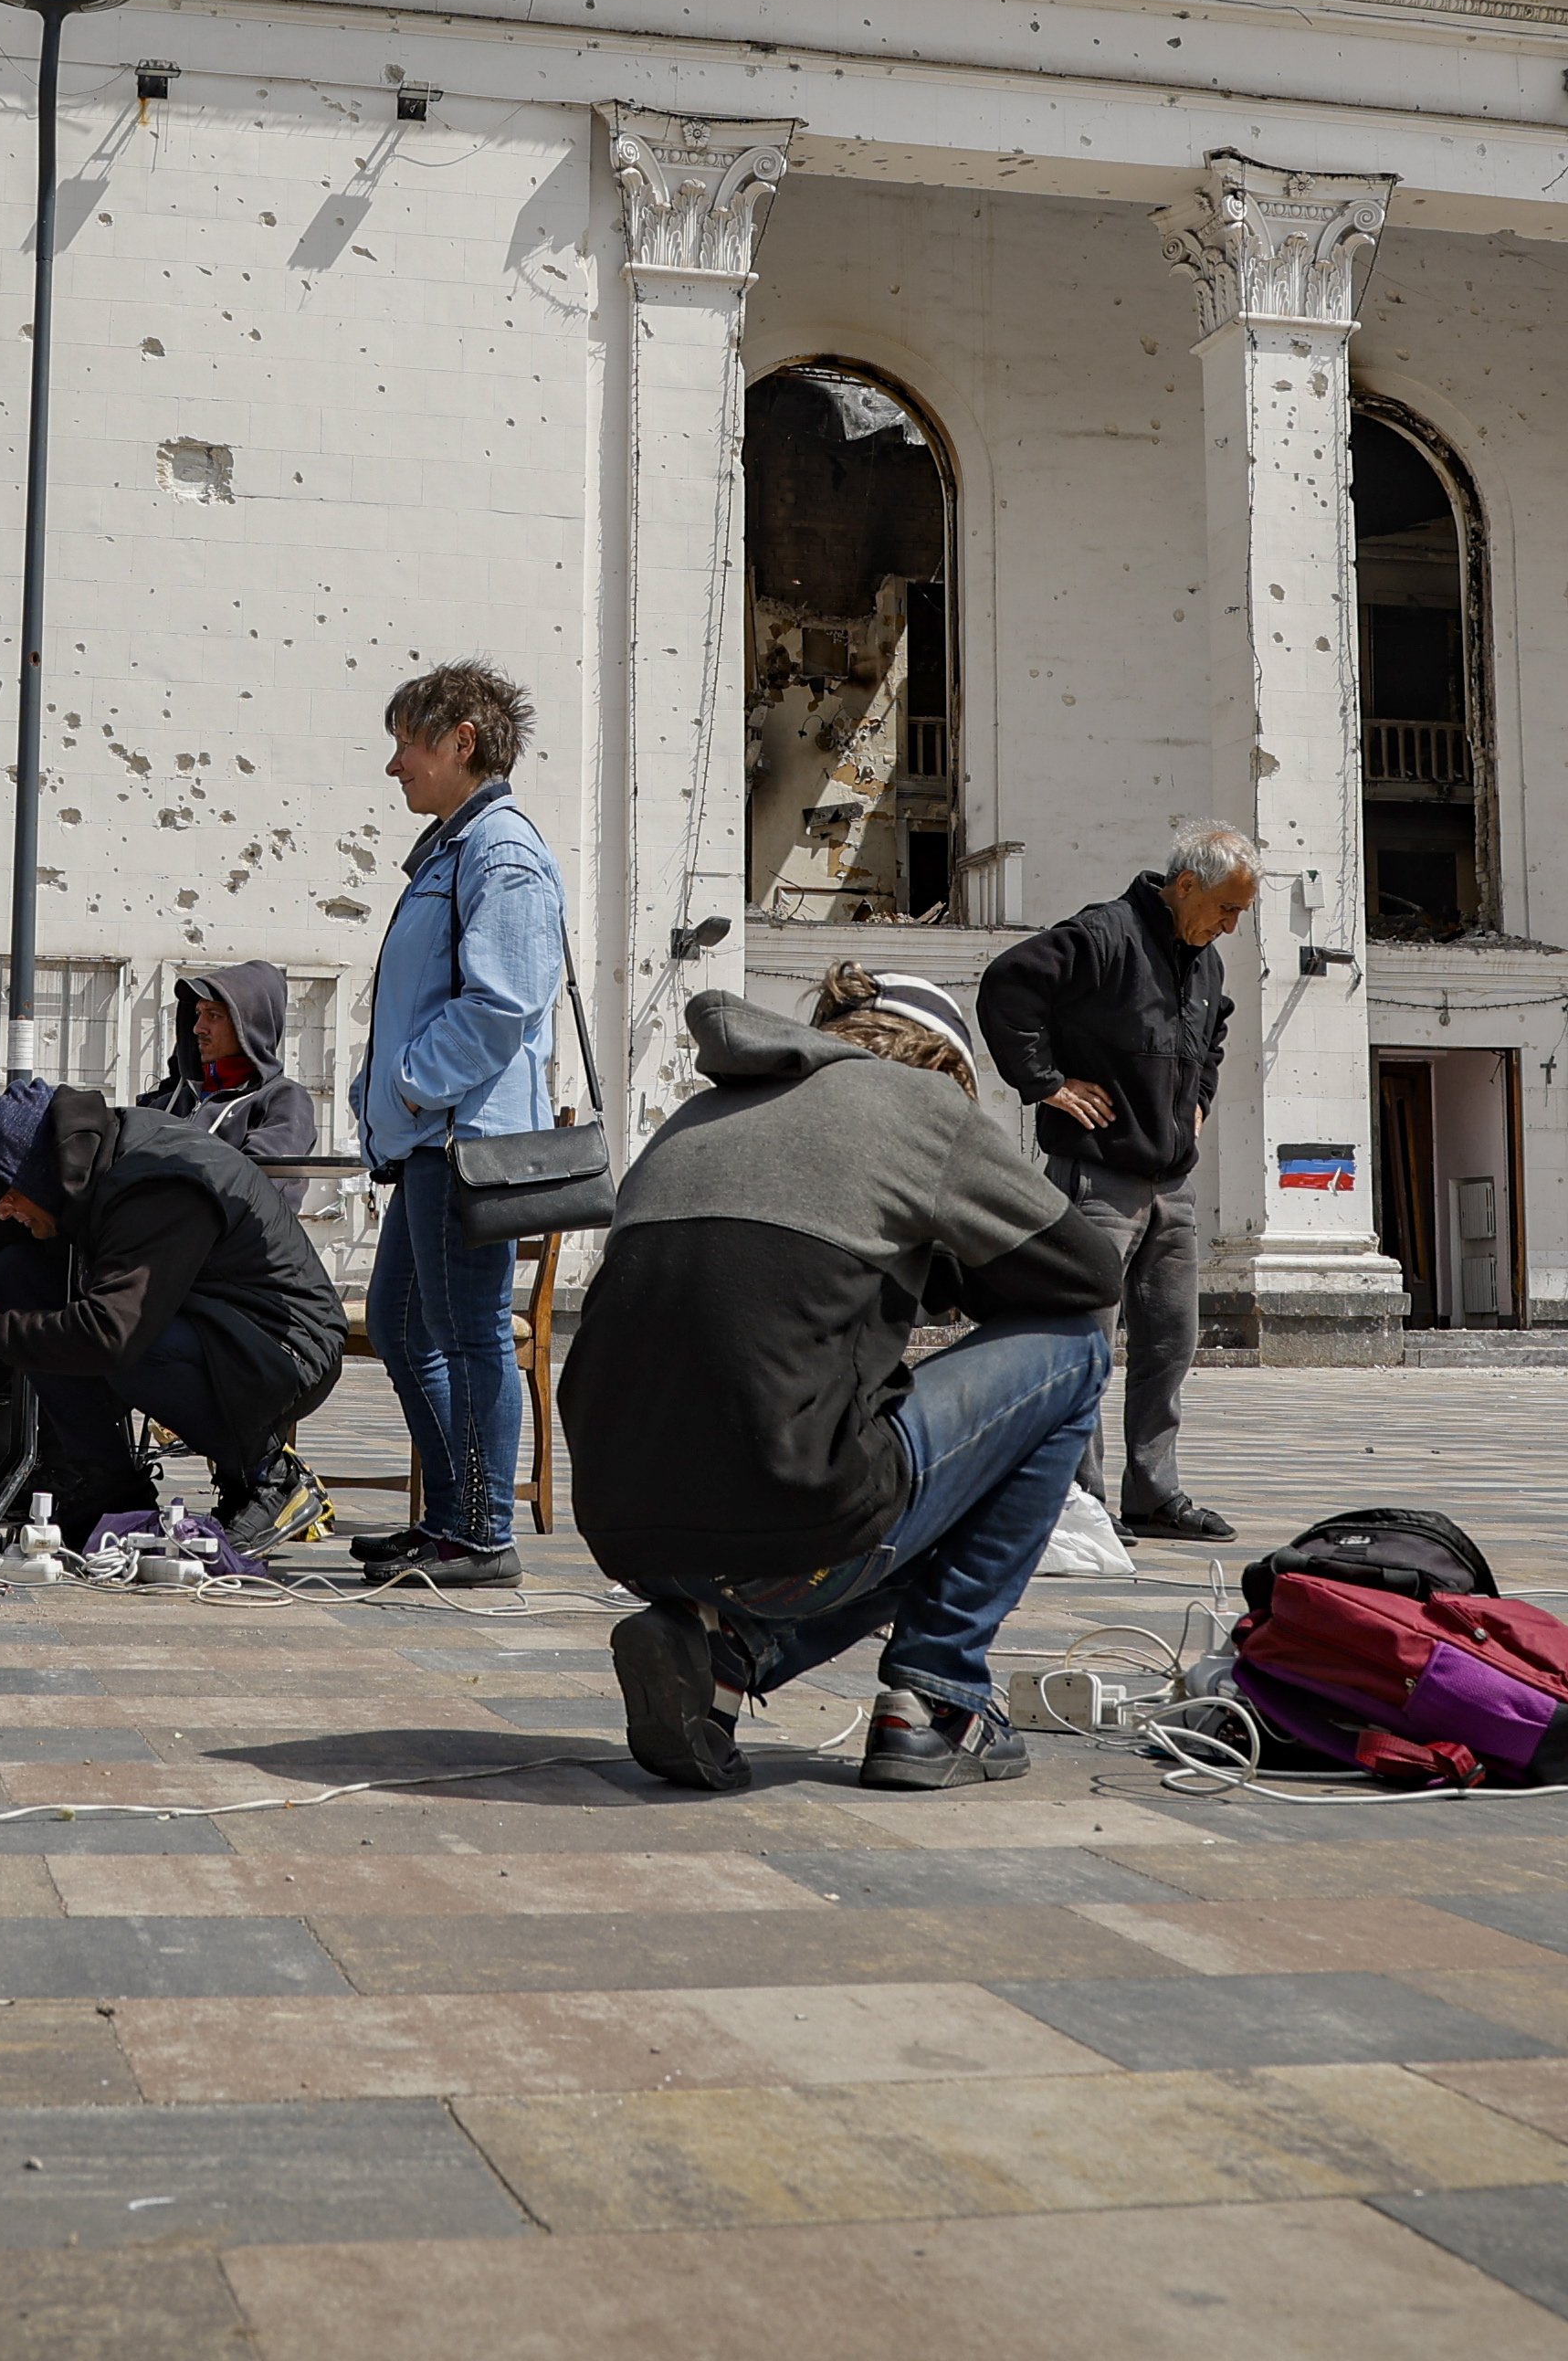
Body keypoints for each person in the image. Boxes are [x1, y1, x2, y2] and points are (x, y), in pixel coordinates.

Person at [563, 967, 1123, 1794]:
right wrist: (954, 1255)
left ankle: (727, 1660)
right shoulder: (920, 1106)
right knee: (1072, 1356)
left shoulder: (698, 1113)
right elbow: (1089, 1273)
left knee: (855, 1452)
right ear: (949, 1071)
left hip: (629, 1535)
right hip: (792, 1530)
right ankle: (937, 1698)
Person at [0, 1072, 340, 1556]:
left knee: (130, 1346)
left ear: (44, 1173)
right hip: (214, 1328)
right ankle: (106, 1490)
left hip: (287, 1350)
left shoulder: (158, 1184)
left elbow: (113, 1335)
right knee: (15, 1270)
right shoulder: (76, 1169)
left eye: (7, 1193)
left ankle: (267, 1476)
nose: (1, 1209)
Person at [350, 658, 571, 1589]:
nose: (395, 765)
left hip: (463, 1140)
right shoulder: (455, 846)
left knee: (470, 1332)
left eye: (407, 742)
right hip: (433, 1142)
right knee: (407, 1330)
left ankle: (481, 1531)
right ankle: (450, 1522)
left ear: (460, 744)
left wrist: (405, 1088)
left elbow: (502, 1003)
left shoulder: (501, 850)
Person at [976, 824, 1250, 1543]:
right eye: (1226, 908)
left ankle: (1154, 1494)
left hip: (1171, 1185)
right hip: (1096, 1179)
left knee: (1171, 1343)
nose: (1230, 926)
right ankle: (1078, 1500)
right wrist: (1045, 1083)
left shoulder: (1205, 962)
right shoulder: (1105, 935)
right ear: (1185, 885)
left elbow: (1214, 1032)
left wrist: (1199, 1101)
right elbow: (1009, 986)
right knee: (1084, 1344)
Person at [142, 964, 318, 1159]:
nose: (198, 1028)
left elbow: (256, 1181)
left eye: (214, 1015)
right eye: (198, 1014)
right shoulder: (167, 1105)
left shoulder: (282, 1100)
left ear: (250, 1026)